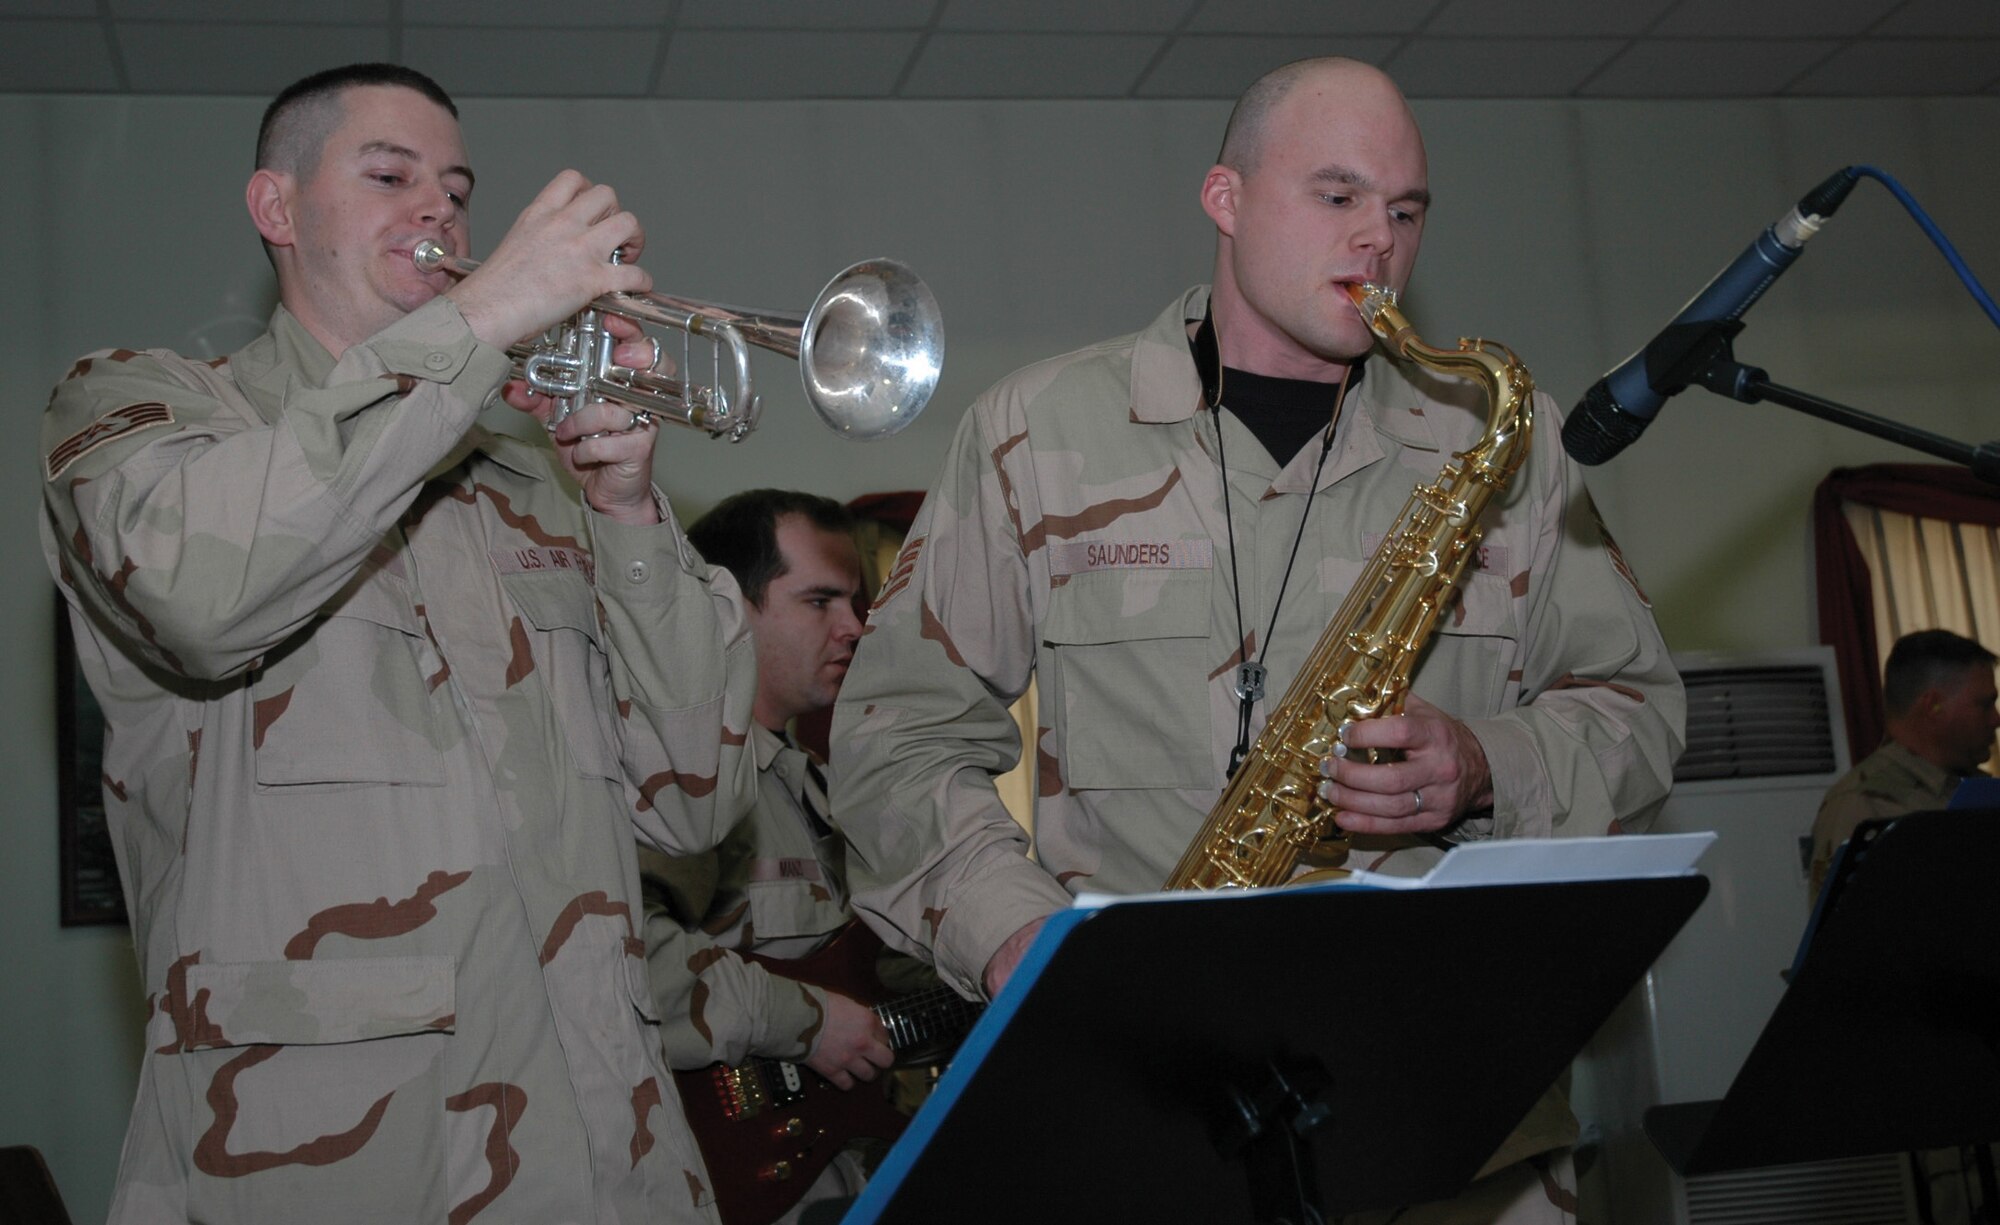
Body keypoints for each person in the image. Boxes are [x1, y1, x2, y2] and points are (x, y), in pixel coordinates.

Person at [829, 56, 1684, 1223]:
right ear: (1223, 199)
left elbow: (1638, 712)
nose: (1375, 240)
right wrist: (1015, 939)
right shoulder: (1035, 432)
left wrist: (1487, 762)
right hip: (1150, 1131)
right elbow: (893, 741)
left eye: (1404, 209)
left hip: (1458, 1142)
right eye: (1335, 198)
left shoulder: (1504, 437)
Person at [39, 63, 758, 1225]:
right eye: (390, 176)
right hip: (333, 1167)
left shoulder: (530, 483)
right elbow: (199, 594)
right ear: (276, 210)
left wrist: (626, 510)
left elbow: (695, 806)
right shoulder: (150, 411)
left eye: (458, 189)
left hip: (608, 1162)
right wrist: (479, 321)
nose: (438, 209)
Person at [641, 490, 916, 1221]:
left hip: (833, 1171)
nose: (853, 626)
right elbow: (622, 964)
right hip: (720, 1177)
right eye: (820, 600)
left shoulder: (815, 784)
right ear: (729, 606)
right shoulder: (675, 785)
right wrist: (803, 1019)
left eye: (854, 602)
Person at [1810, 628, 1999, 897]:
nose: (1996, 719)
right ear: (1933, 706)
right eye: (1984, 704)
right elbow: (1846, 932)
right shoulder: (1863, 804)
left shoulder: (1981, 791)